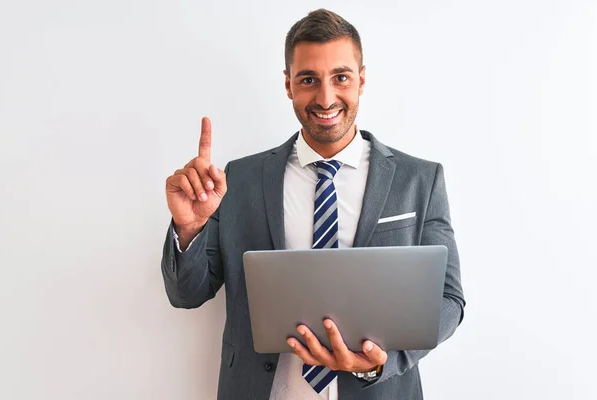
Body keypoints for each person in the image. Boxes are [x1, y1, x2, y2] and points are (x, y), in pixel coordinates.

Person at [162, 8, 465, 400]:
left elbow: (449, 301)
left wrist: (379, 361)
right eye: (308, 79)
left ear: (361, 80)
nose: (326, 97)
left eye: (340, 77)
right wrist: (190, 229)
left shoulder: (420, 180)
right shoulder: (239, 179)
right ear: (288, 85)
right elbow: (187, 295)